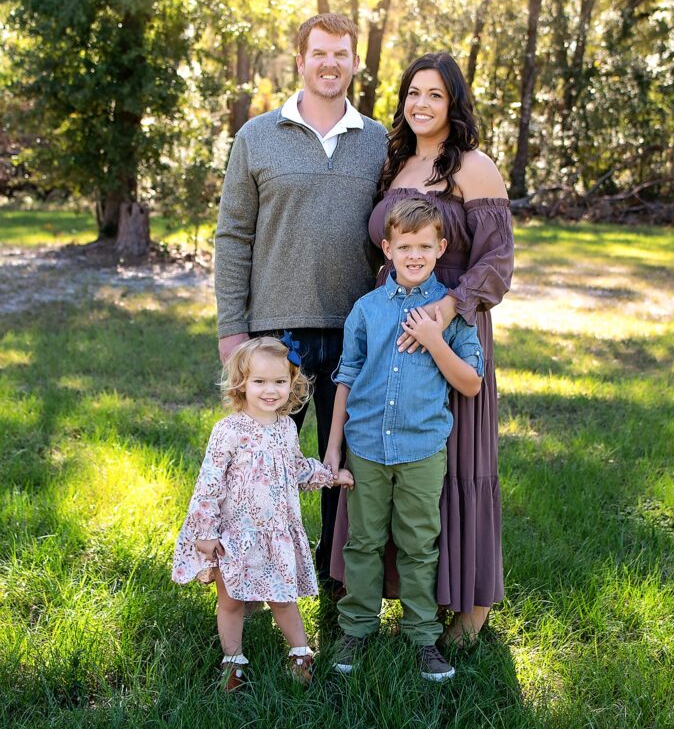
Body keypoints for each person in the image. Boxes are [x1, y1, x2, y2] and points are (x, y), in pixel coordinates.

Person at [330, 51, 514, 648]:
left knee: (456, 463)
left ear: (453, 102)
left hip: (451, 326)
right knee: (388, 459)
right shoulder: (399, 166)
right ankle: (377, 602)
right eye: (413, 92)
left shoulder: (475, 167)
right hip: (389, 331)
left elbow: (498, 261)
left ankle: (469, 607)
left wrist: (449, 308)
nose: (421, 104)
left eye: (435, 94)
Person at [213, 13, 387, 587]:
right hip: (274, 336)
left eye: (341, 54)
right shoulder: (256, 137)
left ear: (354, 62)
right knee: (263, 467)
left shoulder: (381, 143)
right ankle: (253, 579)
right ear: (300, 61)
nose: (330, 64)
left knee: (346, 467)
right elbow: (233, 236)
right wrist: (232, 330)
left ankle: (337, 580)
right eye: (319, 53)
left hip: (355, 329)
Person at [323, 197, 484, 680]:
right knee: (365, 541)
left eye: (425, 246)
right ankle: (355, 629)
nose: (415, 255)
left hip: (421, 449)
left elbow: (472, 383)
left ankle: (423, 638)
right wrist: (333, 446)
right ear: (387, 248)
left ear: (441, 248)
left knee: (418, 545)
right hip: (366, 447)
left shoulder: (451, 314)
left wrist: (435, 339)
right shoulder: (366, 310)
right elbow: (346, 376)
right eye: (405, 246)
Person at [171, 336, 354, 690]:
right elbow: (208, 484)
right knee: (232, 601)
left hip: (276, 532)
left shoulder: (286, 427)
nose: (270, 390)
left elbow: (296, 469)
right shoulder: (228, 431)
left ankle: (300, 654)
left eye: (279, 382)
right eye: (260, 382)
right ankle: (233, 662)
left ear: (292, 383)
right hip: (235, 535)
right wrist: (205, 532)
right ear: (242, 383)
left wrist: (331, 476)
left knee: (283, 598)